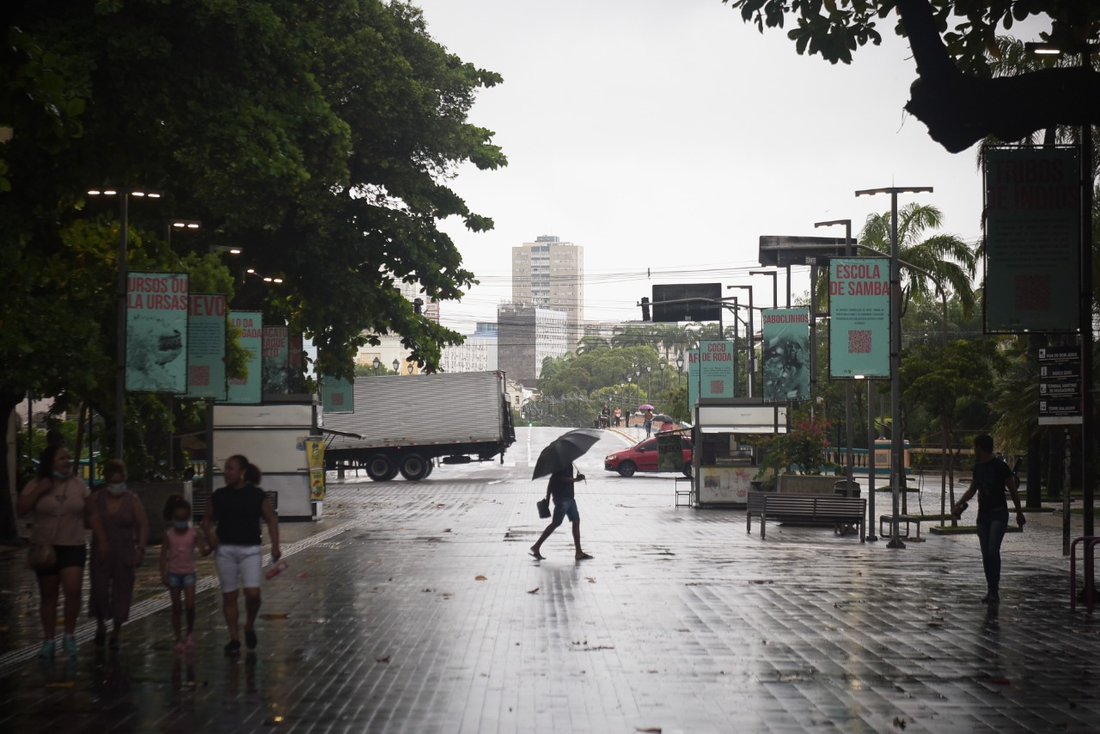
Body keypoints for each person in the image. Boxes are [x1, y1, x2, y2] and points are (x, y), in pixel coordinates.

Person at [16, 444, 91, 659]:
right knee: (49, 596)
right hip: (45, 547)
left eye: (68, 458)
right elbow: (20, 510)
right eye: (62, 458)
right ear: (50, 463)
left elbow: (90, 513)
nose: (67, 461)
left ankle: (69, 635)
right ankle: (49, 640)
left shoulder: (78, 485)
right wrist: (40, 490)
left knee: (73, 590)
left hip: (73, 544)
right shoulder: (36, 484)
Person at [203, 455, 280, 655]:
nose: (226, 472)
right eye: (226, 469)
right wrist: (210, 537)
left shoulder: (256, 495)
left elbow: (271, 519)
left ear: (242, 472)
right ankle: (234, 638)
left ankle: (249, 624)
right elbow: (206, 520)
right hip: (225, 551)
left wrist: (275, 545)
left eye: (231, 469)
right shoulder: (219, 495)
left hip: (250, 550)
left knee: (253, 594)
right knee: (229, 595)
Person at [952, 434, 1026, 604]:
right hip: (983, 515)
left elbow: (1012, 490)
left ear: (980, 447)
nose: (974, 450)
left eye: (975, 446)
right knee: (986, 554)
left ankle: (995, 589)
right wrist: (959, 503)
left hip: (999, 513)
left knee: (993, 550)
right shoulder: (977, 467)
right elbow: (972, 489)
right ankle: (991, 589)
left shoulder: (1001, 467)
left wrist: (1019, 512)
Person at [87, 459, 149, 651]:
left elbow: (143, 524)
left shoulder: (132, 500)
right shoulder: (97, 499)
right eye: (113, 482)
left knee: (122, 590)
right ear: (107, 481)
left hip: (124, 548)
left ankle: (116, 631)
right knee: (99, 589)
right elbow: (87, 517)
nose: (117, 486)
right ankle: (100, 624)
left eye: (120, 481)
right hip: (101, 548)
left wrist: (140, 547)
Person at [160, 494, 210, 653]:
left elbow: (203, 552)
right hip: (174, 573)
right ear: (172, 517)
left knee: (189, 605)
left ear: (188, 517)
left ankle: (189, 632)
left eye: (183, 518)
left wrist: (212, 545)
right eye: (177, 518)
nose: (180, 522)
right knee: (176, 607)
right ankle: (178, 638)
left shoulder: (194, 533)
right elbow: (163, 555)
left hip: (189, 573)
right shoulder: (168, 534)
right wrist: (163, 573)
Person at [529, 465, 592, 561]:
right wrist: (576, 479)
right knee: (556, 522)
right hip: (562, 499)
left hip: (569, 498)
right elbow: (559, 478)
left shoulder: (567, 463)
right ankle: (536, 546)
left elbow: (552, 480)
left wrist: (548, 497)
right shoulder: (563, 464)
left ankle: (579, 552)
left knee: (576, 521)